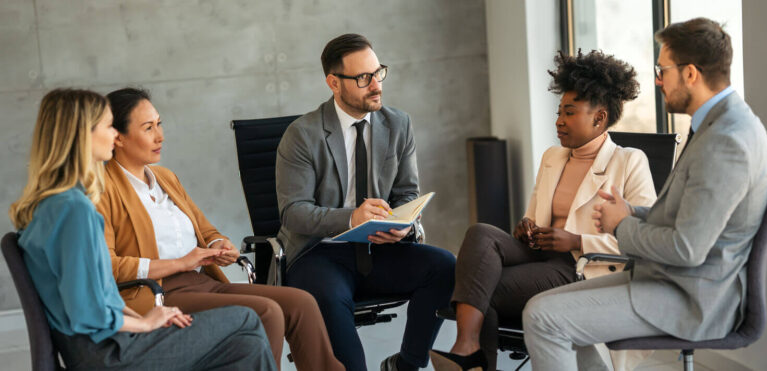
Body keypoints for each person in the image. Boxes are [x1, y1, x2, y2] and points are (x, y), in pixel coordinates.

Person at [521, 17, 767, 371]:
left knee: (544, 317)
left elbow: (687, 248)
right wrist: (633, 213)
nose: (658, 79)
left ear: (691, 74)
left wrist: (622, 225)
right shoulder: (720, 125)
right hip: (671, 282)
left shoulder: (726, 141)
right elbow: (688, 218)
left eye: (663, 69)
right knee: (545, 307)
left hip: (692, 299)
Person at [8, 88, 275, 370]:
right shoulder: (76, 209)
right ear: (82, 134)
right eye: (109, 125)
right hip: (110, 352)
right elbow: (84, 311)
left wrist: (147, 318)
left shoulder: (49, 204)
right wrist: (146, 323)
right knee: (245, 319)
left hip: (97, 346)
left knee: (245, 342)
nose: (115, 135)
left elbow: (95, 293)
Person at [429, 50, 656, 371]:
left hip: (580, 266)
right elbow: (535, 218)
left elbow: (642, 240)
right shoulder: (554, 156)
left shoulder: (630, 162)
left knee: (485, 288)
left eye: (569, 112)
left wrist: (576, 241)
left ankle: (469, 355)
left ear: (599, 118)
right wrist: (527, 227)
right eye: (559, 111)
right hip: (540, 256)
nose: (559, 121)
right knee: (480, 232)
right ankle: (467, 352)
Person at [97, 88, 343, 371]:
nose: (160, 136)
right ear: (119, 137)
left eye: (159, 124)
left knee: (302, 304)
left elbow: (207, 230)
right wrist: (178, 263)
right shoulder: (103, 190)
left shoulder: (165, 178)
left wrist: (218, 245)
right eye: (148, 128)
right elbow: (109, 266)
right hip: (158, 294)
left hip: (203, 282)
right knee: (267, 312)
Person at [275, 33, 456, 371]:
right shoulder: (302, 134)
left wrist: (402, 225)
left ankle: (406, 364)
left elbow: (406, 193)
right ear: (334, 83)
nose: (376, 85)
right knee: (350, 362)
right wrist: (351, 219)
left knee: (445, 266)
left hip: (379, 249)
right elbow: (293, 212)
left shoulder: (398, 124)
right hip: (319, 254)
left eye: (378, 73)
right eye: (362, 78)